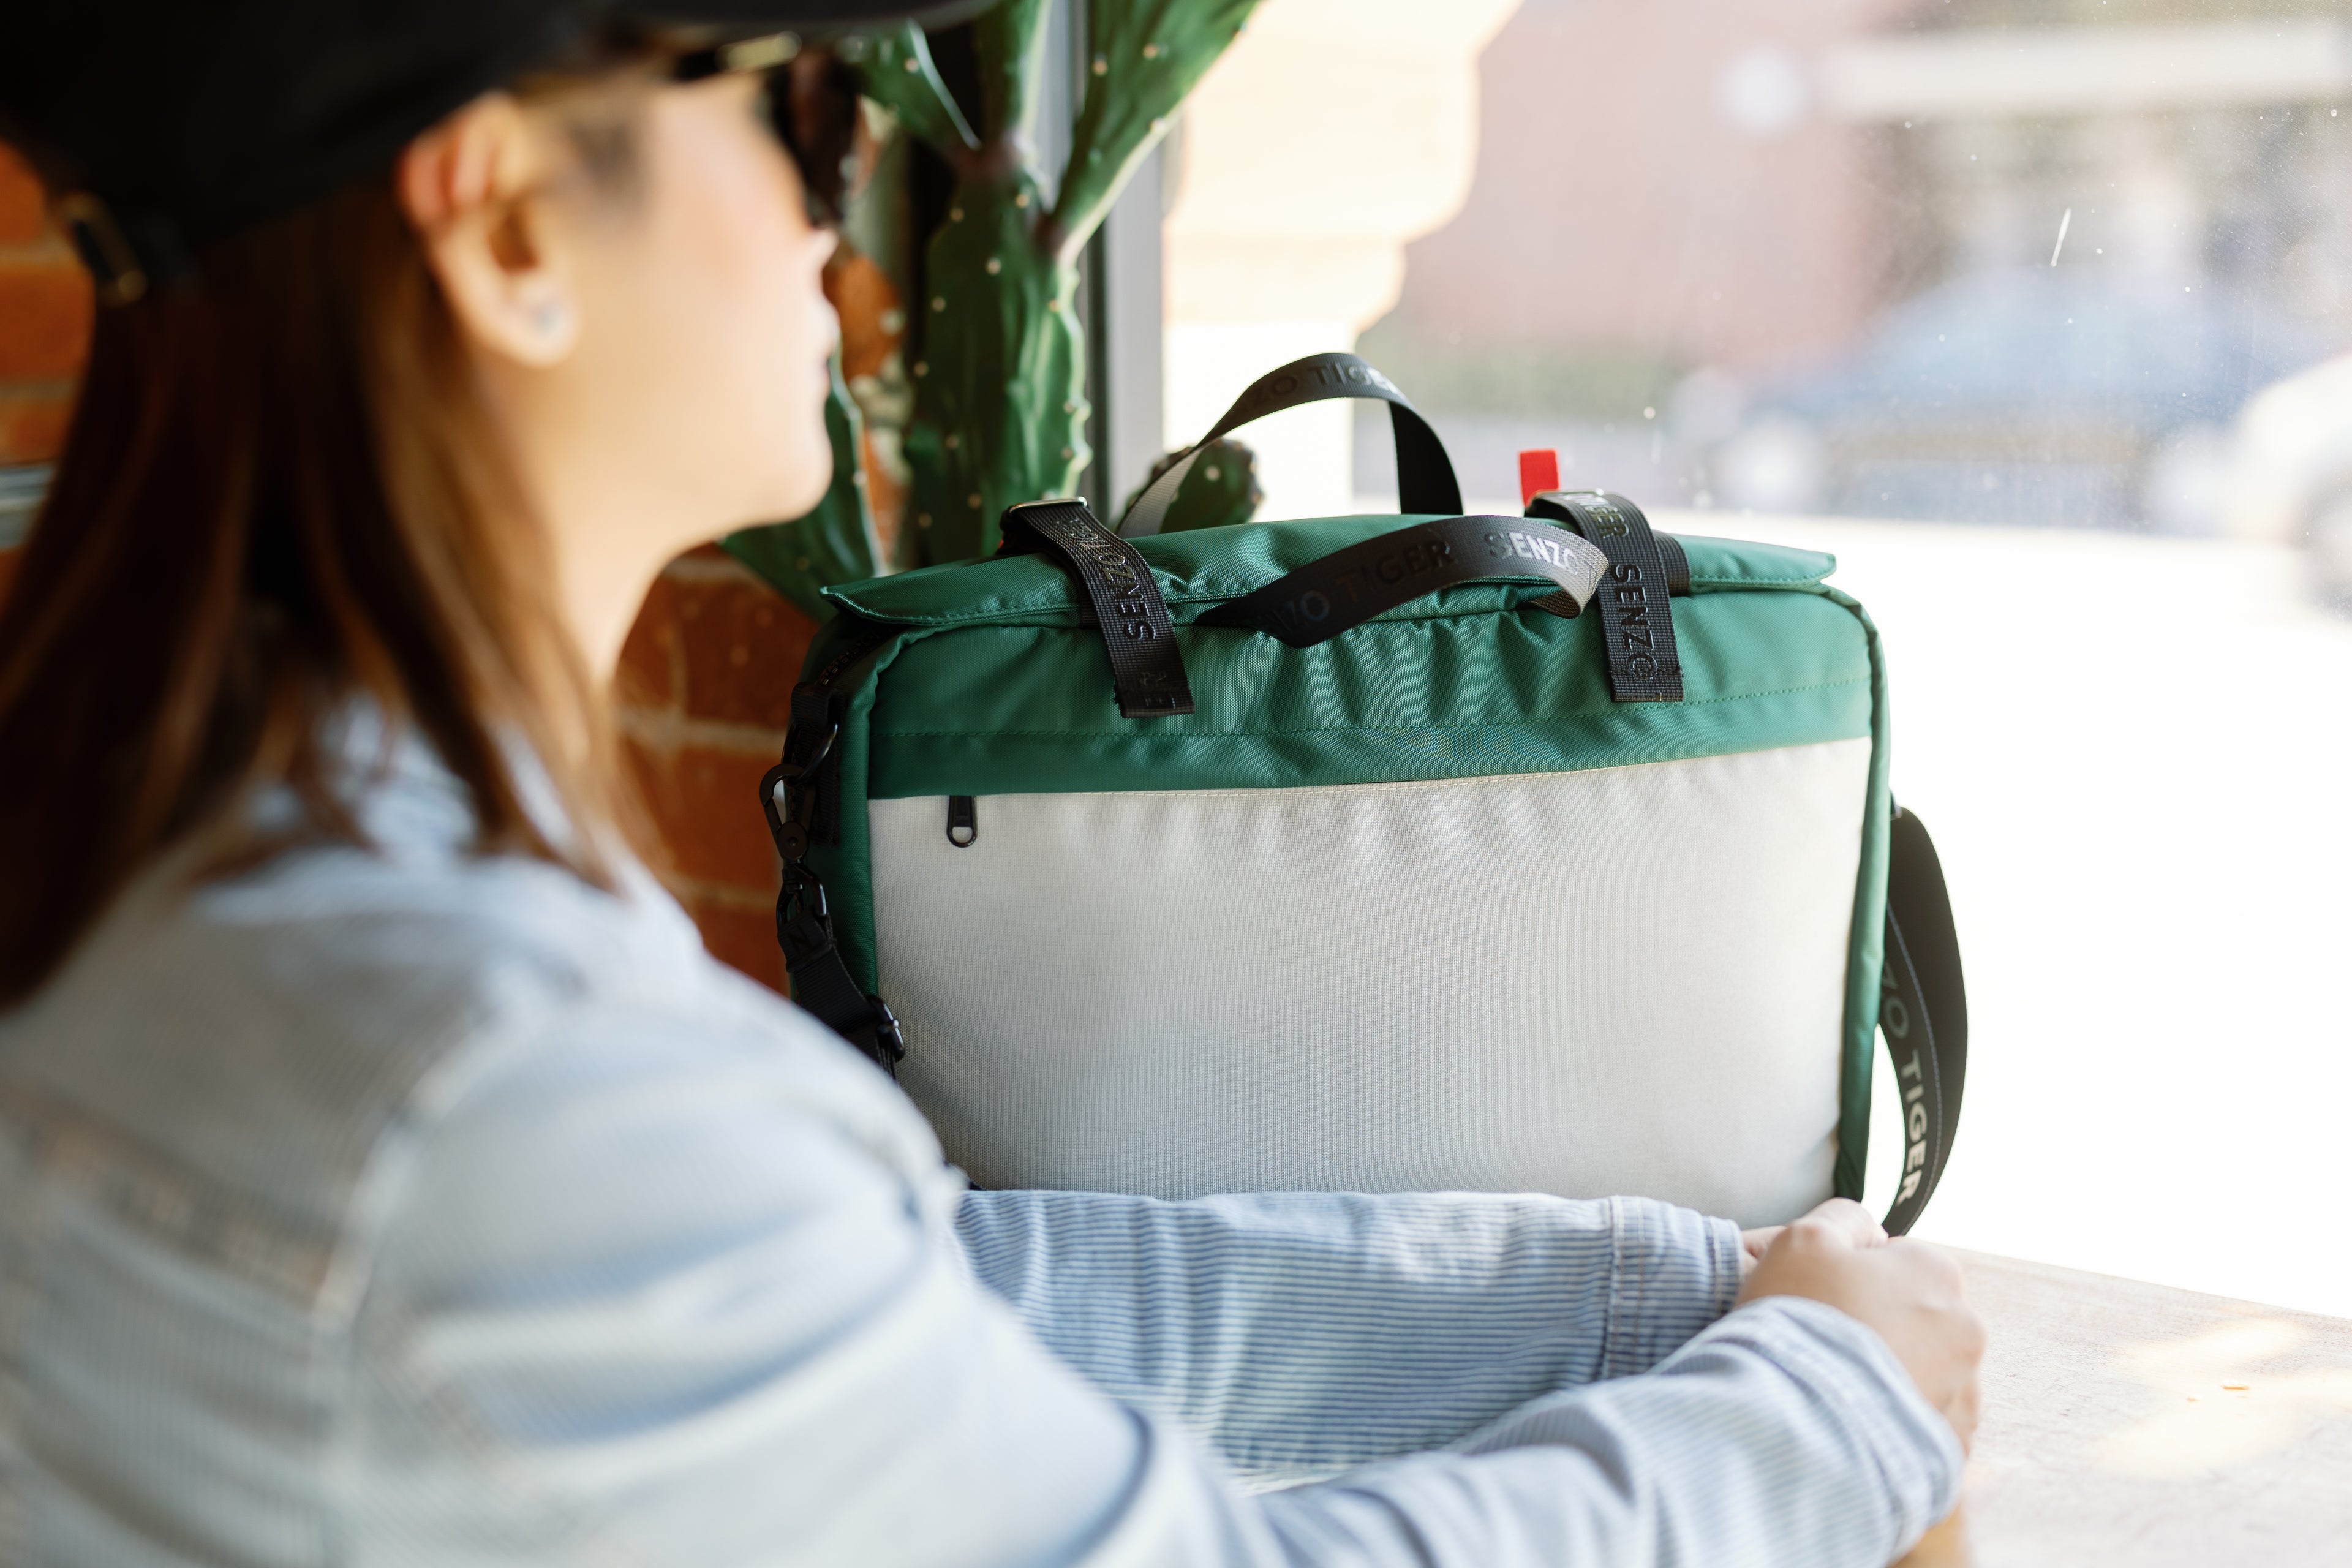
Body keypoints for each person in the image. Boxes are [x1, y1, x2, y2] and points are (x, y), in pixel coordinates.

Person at [0, 1, 1983, 1562]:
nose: (815, 213)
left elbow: (915, 1305)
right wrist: (1827, 1406)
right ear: (513, 226)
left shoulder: (202, 856)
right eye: (791, 118)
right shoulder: (474, 1075)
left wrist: (1662, 1292)